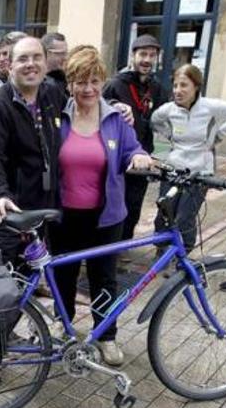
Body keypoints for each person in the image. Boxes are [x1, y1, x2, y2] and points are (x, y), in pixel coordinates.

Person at [55, 45, 153, 366]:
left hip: (105, 216)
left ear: (102, 82)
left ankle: (106, 335)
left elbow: (132, 149)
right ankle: (63, 324)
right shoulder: (58, 116)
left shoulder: (115, 117)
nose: (88, 89)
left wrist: (138, 156)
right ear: (70, 83)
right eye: (81, 81)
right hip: (63, 215)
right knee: (63, 274)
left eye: (95, 81)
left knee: (104, 278)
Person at [0, 37, 66, 263]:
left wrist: (113, 107)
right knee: (4, 287)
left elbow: (85, 108)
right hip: (8, 212)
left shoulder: (52, 95)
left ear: (46, 63)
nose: (31, 64)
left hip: (40, 207)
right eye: (23, 59)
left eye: (37, 57)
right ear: (10, 67)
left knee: (30, 276)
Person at [151, 64, 226, 251]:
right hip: (173, 169)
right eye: (175, 85)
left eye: (184, 85)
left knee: (185, 217)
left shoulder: (210, 107)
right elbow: (155, 120)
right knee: (164, 214)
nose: (178, 90)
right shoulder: (169, 110)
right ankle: (161, 253)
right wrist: (169, 136)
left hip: (201, 171)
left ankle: (182, 258)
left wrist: (219, 136)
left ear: (196, 87)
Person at [103, 34, 171, 245]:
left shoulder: (158, 88)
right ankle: (106, 247)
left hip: (143, 158)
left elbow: (162, 125)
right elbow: (101, 106)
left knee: (133, 205)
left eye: (152, 55)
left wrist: (160, 156)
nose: (147, 60)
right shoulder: (115, 83)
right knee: (114, 203)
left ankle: (123, 246)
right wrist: (113, 103)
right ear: (133, 55)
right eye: (143, 54)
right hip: (117, 158)